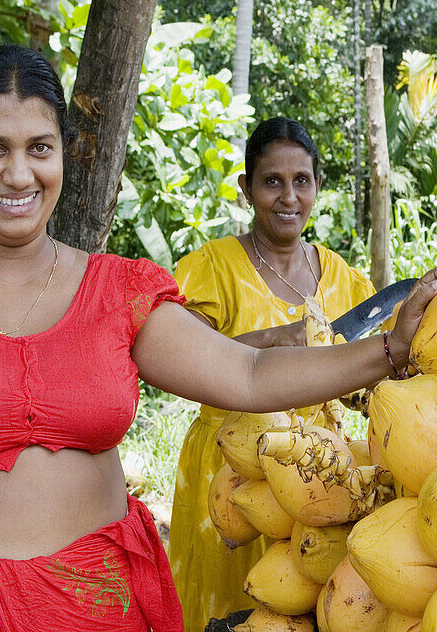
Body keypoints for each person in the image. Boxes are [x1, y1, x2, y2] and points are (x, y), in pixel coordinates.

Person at [0, 44, 437, 632]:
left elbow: (248, 376)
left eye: (39, 147)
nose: (18, 173)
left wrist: (389, 350)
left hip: (104, 603)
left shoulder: (116, 290)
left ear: (64, 152)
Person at [168, 117, 375, 630]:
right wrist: (273, 339)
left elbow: (376, 374)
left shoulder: (348, 282)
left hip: (319, 479)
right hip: (230, 478)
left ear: (317, 187)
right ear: (246, 189)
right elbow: (177, 360)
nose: (288, 197)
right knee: (232, 611)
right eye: (272, 181)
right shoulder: (211, 268)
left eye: (301, 181)